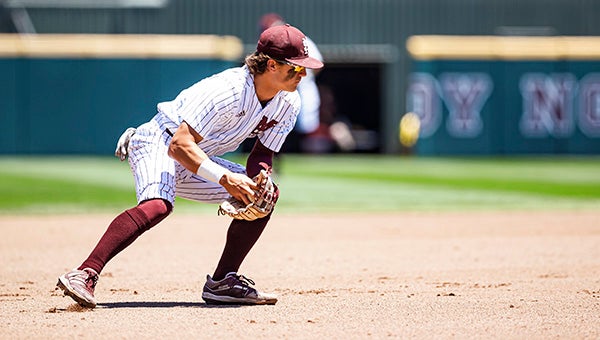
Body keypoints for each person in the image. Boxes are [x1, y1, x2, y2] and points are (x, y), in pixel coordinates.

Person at [56, 24, 324, 308]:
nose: (303, 74)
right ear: (271, 65)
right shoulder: (228, 91)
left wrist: (262, 177)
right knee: (158, 205)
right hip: (161, 141)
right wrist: (224, 178)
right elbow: (179, 146)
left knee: (263, 196)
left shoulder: (288, 102)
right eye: (295, 68)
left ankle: (222, 281)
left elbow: (262, 155)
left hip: (198, 155)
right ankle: (84, 273)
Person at [259, 13, 324, 153]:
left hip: (302, 88)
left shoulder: (298, 39)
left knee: (305, 123)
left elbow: (318, 63)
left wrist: (300, 74)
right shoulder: (269, 44)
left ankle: (303, 154)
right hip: (279, 88)